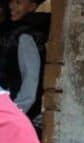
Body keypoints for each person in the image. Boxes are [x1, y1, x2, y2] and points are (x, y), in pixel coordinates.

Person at [3, 0, 49, 132]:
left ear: (32, 6)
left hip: (22, 115)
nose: (11, 6)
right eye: (11, 1)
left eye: (18, 2)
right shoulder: (22, 30)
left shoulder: (25, 36)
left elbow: (30, 81)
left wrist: (13, 115)